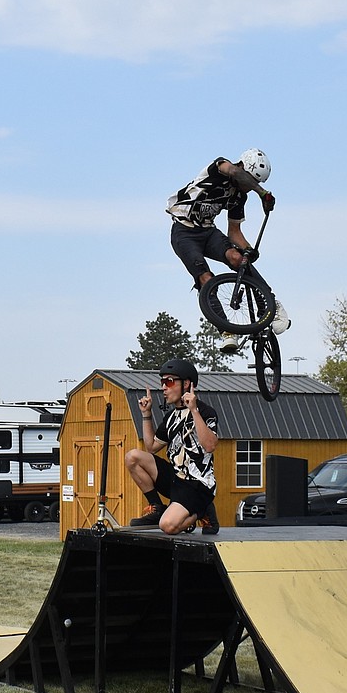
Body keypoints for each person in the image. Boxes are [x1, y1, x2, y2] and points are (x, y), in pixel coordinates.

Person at [166, 148, 289, 353]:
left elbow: (234, 232)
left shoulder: (239, 196)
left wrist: (248, 250)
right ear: (243, 168)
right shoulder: (219, 168)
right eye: (251, 181)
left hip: (208, 232)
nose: (249, 188)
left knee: (237, 258)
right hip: (184, 233)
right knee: (205, 277)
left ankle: (270, 304)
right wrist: (263, 193)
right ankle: (226, 331)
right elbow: (234, 172)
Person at [124, 359, 220, 535]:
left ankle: (203, 511)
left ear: (187, 384)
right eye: (162, 382)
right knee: (132, 457)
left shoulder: (206, 412)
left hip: (197, 484)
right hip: (176, 478)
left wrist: (194, 411)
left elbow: (210, 446)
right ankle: (156, 507)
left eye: (169, 381)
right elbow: (151, 447)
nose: (163, 387)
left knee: (167, 526)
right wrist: (146, 414)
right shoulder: (170, 417)